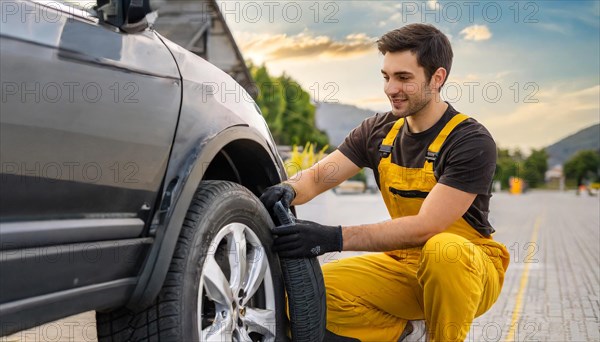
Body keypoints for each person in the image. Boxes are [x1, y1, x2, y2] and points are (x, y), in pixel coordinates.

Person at [260, 23, 510, 342]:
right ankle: (407, 332)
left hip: (467, 267)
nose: (391, 88)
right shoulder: (378, 131)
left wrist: (331, 237)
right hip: (402, 262)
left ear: (437, 78)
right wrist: (289, 189)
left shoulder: (470, 141)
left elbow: (427, 226)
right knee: (305, 297)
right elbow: (319, 176)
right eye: (386, 76)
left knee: (442, 249)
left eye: (404, 78)